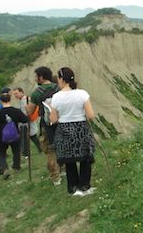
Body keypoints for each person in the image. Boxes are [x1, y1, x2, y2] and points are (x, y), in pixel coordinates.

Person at [50, 67, 95, 196]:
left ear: (61, 79)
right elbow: (90, 115)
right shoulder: (82, 94)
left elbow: (53, 119)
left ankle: (73, 187)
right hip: (81, 128)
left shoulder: (56, 97)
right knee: (85, 157)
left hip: (64, 128)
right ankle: (84, 186)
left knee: (69, 159)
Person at [26, 66, 61, 185]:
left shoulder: (37, 93)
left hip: (46, 125)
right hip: (61, 122)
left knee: (49, 149)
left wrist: (27, 107)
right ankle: (65, 169)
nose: (35, 79)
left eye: (36, 76)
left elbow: (30, 111)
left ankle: (55, 176)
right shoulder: (58, 88)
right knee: (62, 145)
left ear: (41, 77)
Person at [0, 93, 28, 179]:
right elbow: (25, 119)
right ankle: (16, 166)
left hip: (2, 137)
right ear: (10, 99)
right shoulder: (16, 111)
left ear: (1, 101)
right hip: (15, 134)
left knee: (1, 153)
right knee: (16, 151)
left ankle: (4, 168)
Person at [12, 87, 42, 156]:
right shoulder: (21, 101)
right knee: (30, 137)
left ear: (21, 92)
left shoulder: (27, 100)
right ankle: (28, 152)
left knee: (31, 137)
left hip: (28, 121)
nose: (15, 95)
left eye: (16, 93)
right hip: (25, 122)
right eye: (14, 94)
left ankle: (28, 152)